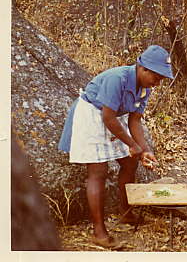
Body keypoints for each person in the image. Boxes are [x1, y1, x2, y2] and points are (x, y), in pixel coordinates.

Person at [58, 45, 173, 248]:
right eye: (156, 77)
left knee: (130, 162)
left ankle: (126, 212)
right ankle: (99, 232)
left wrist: (144, 149)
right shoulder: (117, 79)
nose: (158, 83)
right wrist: (132, 145)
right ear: (143, 68)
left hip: (112, 118)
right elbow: (107, 117)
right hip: (91, 114)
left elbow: (134, 121)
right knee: (98, 171)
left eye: (161, 79)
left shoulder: (145, 87)